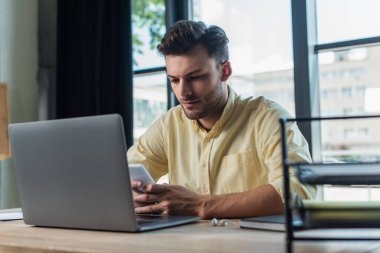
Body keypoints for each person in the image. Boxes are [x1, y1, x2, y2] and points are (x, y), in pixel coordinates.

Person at [127, 20, 315, 219]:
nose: (183, 92)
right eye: (174, 80)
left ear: (225, 71)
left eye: (196, 77)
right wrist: (134, 193)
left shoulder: (268, 118)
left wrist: (199, 205)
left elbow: (299, 191)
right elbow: (121, 178)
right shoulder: (168, 125)